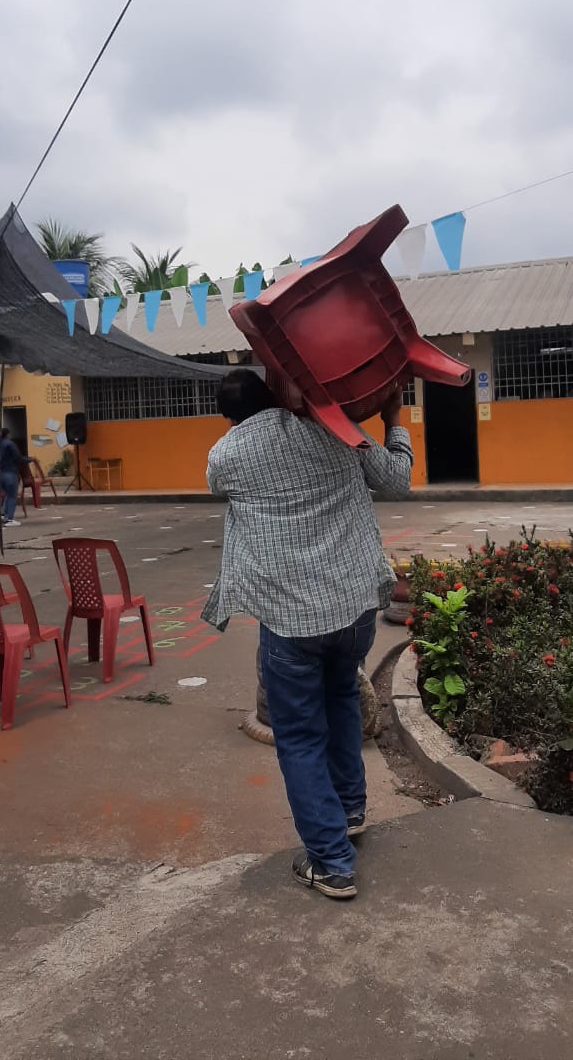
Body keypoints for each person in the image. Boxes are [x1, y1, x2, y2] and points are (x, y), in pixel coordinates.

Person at [202, 368, 413, 901]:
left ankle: (332, 863)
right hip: (353, 610)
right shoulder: (335, 428)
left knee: (299, 736)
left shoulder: (226, 454)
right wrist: (392, 420)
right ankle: (350, 811)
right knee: (342, 699)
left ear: (228, 417)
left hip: (290, 622)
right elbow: (397, 480)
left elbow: (217, 485)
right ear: (275, 393)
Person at [0, 428, 29, 527]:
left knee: (7, 494)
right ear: (7, 435)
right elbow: (18, 458)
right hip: (9, 473)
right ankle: (9, 519)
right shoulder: (10, 444)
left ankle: (4, 514)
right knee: (12, 496)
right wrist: (30, 459)